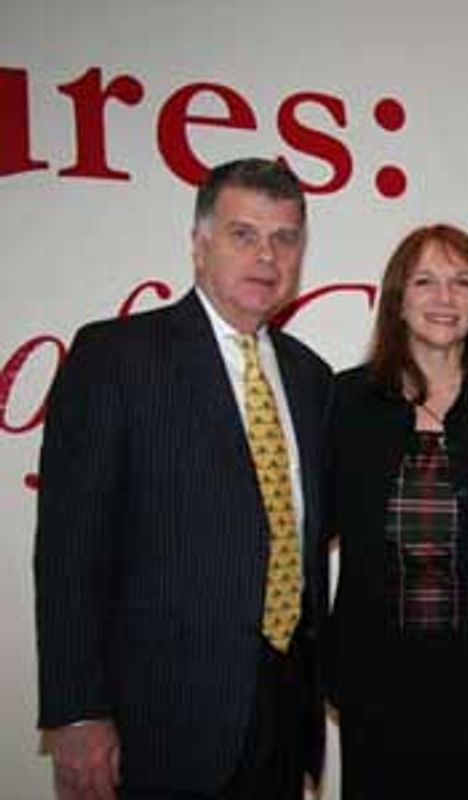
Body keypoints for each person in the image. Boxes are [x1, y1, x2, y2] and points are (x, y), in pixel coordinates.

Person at [34, 158, 332, 799]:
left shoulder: (311, 376)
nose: (266, 255)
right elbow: (67, 551)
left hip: (282, 709)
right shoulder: (115, 358)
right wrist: (77, 713)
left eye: (284, 238)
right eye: (243, 234)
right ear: (199, 246)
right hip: (160, 720)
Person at [323, 224, 468, 797]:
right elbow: (307, 532)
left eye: (461, 283)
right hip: (378, 683)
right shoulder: (344, 403)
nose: (444, 298)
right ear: (398, 299)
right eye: (426, 281)